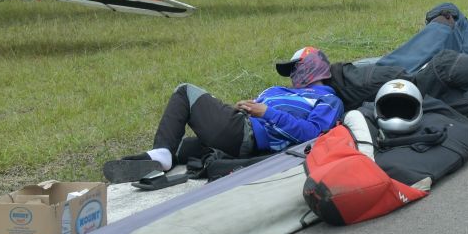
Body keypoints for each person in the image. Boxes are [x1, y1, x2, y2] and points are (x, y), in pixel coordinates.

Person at [103, 46, 344, 182]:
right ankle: (148, 162)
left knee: (185, 92)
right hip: (240, 129)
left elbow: (313, 134)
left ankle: (161, 156)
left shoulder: (327, 99)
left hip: (248, 135)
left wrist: (267, 112)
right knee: (179, 147)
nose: (292, 75)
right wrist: (244, 107)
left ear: (312, 66)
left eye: (295, 68)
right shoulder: (280, 90)